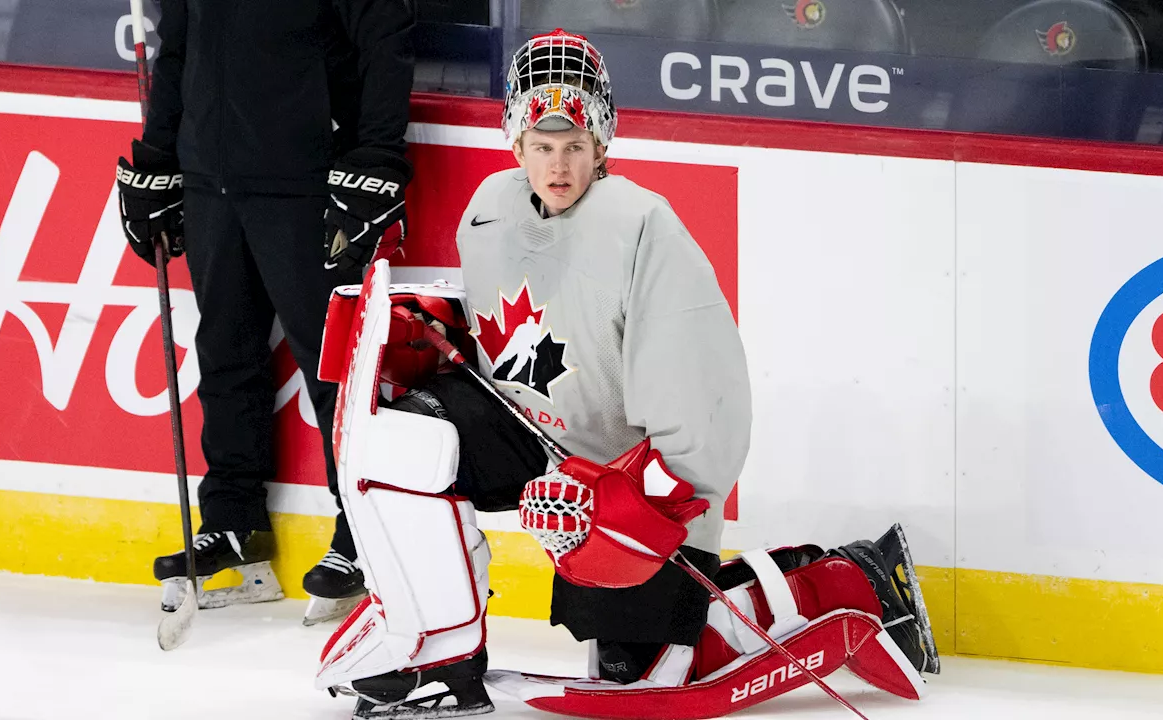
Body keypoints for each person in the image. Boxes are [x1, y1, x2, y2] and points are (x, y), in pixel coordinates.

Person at [311, 30, 938, 720]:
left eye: (575, 146)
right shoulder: (489, 207)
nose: (558, 164)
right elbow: (508, 321)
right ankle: (438, 652)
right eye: (542, 146)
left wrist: (661, 494)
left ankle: (850, 580)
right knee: (408, 431)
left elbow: (704, 388)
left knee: (642, 663)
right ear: (515, 143)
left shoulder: (643, 228)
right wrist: (432, 323)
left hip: (624, 479)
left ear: (602, 144)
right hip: (534, 442)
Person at [114, 0, 415, 625]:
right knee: (224, 353)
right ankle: (230, 521)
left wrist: (376, 159)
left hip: (306, 182)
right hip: (208, 180)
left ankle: (362, 532)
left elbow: (385, 39)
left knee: (332, 363)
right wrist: (158, 158)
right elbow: (178, 47)